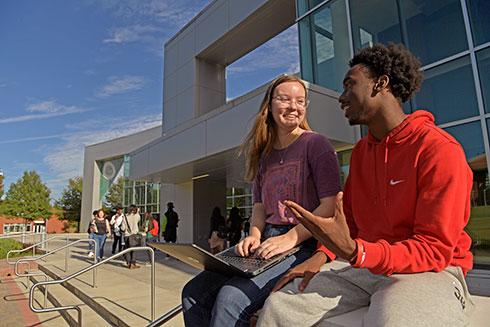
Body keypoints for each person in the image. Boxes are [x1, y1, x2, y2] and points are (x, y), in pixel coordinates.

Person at [257, 43, 475, 327]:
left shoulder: (437, 149)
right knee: (279, 306)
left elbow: (434, 250)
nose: (342, 97)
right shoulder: (361, 153)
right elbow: (351, 227)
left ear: (380, 84)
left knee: (396, 322)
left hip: (431, 270)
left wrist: (357, 252)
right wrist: (321, 257)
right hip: (369, 268)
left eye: (350, 85)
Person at [181, 75, 341, 326]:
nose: (293, 107)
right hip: (266, 242)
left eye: (300, 101)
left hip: (302, 242)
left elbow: (330, 206)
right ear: (269, 105)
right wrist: (254, 235)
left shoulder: (316, 144)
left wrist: (289, 238)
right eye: (285, 99)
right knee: (193, 293)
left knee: (230, 299)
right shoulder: (263, 155)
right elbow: (259, 206)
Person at [123, 204, 142, 269]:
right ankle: (133, 263)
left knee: (127, 249)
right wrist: (138, 212)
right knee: (134, 249)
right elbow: (139, 220)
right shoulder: (137, 216)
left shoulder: (125, 216)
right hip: (134, 235)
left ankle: (128, 263)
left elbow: (123, 228)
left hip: (126, 235)